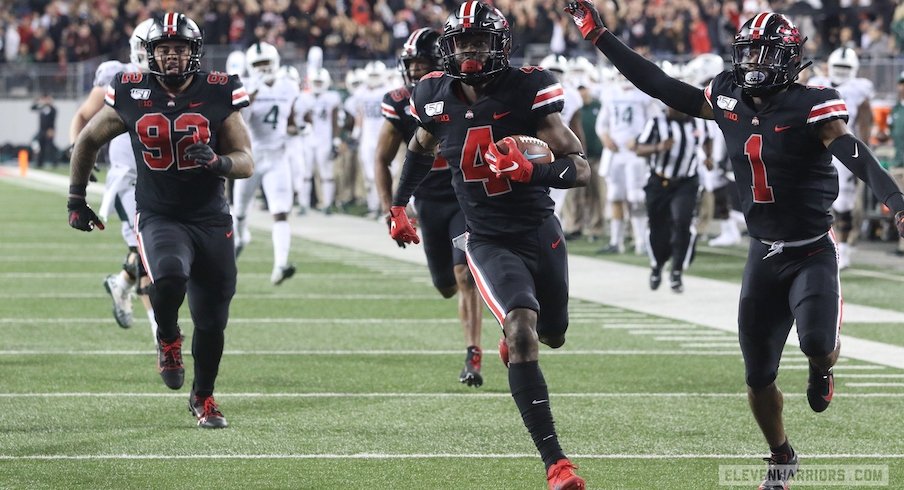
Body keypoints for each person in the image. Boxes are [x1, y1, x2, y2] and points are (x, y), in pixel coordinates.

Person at [566, 4, 904, 489]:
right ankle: (781, 455)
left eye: (765, 54)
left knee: (817, 344)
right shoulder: (728, 94)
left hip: (811, 249)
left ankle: (820, 367)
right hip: (763, 251)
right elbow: (661, 84)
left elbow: (855, 153)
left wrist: (895, 202)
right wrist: (600, 37)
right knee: (758, 376)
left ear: (789, 59)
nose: (753, 64)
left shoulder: (813, 104)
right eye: (748, 53)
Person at [389, 3, 588, 488]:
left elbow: (580, 167)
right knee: (521, 331)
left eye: (479, 41)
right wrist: (398, 204)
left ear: (500, 45)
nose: (470, 51)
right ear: (448, 47)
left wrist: (534, 171)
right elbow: (420, 148)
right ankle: (556, 464)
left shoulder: (527, 88)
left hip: (539, 229)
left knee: (553, 334)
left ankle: (515, 342)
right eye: (462, 42)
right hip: (486, 238)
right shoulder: (432, 93)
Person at [67, 12, 254, 429]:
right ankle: (168, 336)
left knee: (212, 321)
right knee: (168, 276)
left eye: (179, 49)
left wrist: (220, 162)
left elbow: (246, 160)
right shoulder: (130, 90)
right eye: (164, 49)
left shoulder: (219, 89)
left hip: (211, 219)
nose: (171, 56)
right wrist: (76, 199)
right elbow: (88, 139)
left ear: (194, 52)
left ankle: (203, 397)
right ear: (149, 53)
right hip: (159, 213)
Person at [375, 27, 485, 387]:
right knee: (445, 285)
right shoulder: (400, 102)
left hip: (462, 198)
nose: (415, 72)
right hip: (427, 202)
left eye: (422, 64)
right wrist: (392, 209)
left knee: (464, 273)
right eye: (411, 65)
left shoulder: (463, 93)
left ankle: (473, 354)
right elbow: (381, 159)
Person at [69, 18, 158, 337]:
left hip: (162, 180)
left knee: (151, 250)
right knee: (149, 258)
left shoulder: (175, 81)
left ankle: (120, 283)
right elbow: (83, 115)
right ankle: (161, 335)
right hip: (127, 180)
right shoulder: (117, 75)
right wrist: (78, 153)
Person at [232, 42, 299, 285]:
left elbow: (290, 120)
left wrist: (298, 128)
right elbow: (238, 121)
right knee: (240, 211)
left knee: (280, 212)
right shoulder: (244, 86)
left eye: (266, 63)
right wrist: (250, 96)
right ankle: (241, 238)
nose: (263, 68)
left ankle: (280, 265)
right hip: (250, 156)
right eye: (258, 64)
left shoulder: (289, 86)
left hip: (277, 156)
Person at [633, 104, 712, 292]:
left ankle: (677, 270)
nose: (673, 110)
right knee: (658, 226)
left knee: (682, 221)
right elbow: (639, 149)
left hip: (687, 181)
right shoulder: (656, 122)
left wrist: (708, 156)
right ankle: (657, 264)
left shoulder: (699, 122)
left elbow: (708, 138)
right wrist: (658, 147)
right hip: (659, 181)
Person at [808, 48, 874, 269]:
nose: (842, 71)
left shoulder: (858, 90)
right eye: (839, 67)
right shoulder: (816, 83)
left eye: (846, 68)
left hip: (843, 148)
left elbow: (864, 124)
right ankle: (818, 244)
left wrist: (862, 154)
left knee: (844, 201)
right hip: (814, 147)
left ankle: (843, 250)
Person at [30, 93, 57, 168]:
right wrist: (38, 101)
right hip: (41, 130)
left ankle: (55, 162)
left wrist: (52, 130)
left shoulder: (52, 109)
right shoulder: (41, 107)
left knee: (50, 147)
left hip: (49, 130)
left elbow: (52, 119)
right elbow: (32, 108)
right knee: (39, 145)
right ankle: (39, 163)